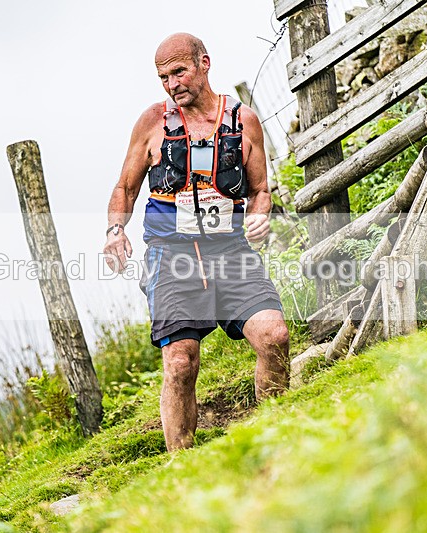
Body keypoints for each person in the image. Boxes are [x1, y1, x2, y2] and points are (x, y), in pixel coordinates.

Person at [103, 33, 290, 451]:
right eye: (163, 77)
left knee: (274, 337)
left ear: (204, 63)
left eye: (179, 72)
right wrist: (115, 230)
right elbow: (125, 188)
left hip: (230, 252)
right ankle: (183, 467)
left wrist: (259, 217)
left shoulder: (243, 122)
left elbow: (260, 190)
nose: (172, 84)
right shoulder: (153, 123)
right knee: (181, 363)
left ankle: (275, 437)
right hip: (172, 257)